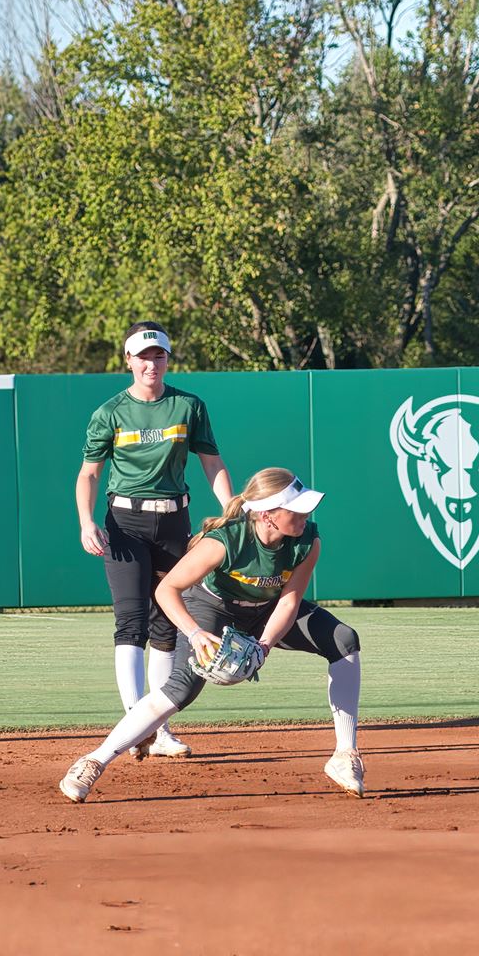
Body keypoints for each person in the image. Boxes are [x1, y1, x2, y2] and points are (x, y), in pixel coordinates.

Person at [58, 467, 365, 803]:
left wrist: (264, 644)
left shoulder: (308, 541)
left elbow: (289, 601)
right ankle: (93, 761)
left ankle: (344, 755)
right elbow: (168, 590)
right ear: (267, 516)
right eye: (296, 509)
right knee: (182, 689)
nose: (306, 514)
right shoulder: (224, 541)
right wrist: (195, 633)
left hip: (267, 611)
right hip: (212, 607)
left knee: (343, 640)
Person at [75, 321, 234, 760]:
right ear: (128, 360)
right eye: (142, 356)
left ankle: (158, 730)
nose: (151, 363)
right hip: (125, 521)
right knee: (131, 622)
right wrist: (87, 521)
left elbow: (211, 462)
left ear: (167, 359)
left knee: (166, 624)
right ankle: (135, 724)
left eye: (158, 355)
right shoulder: (110, 412)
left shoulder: (188, 406)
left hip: (174, 521)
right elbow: (89, 474)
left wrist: (229, 510)